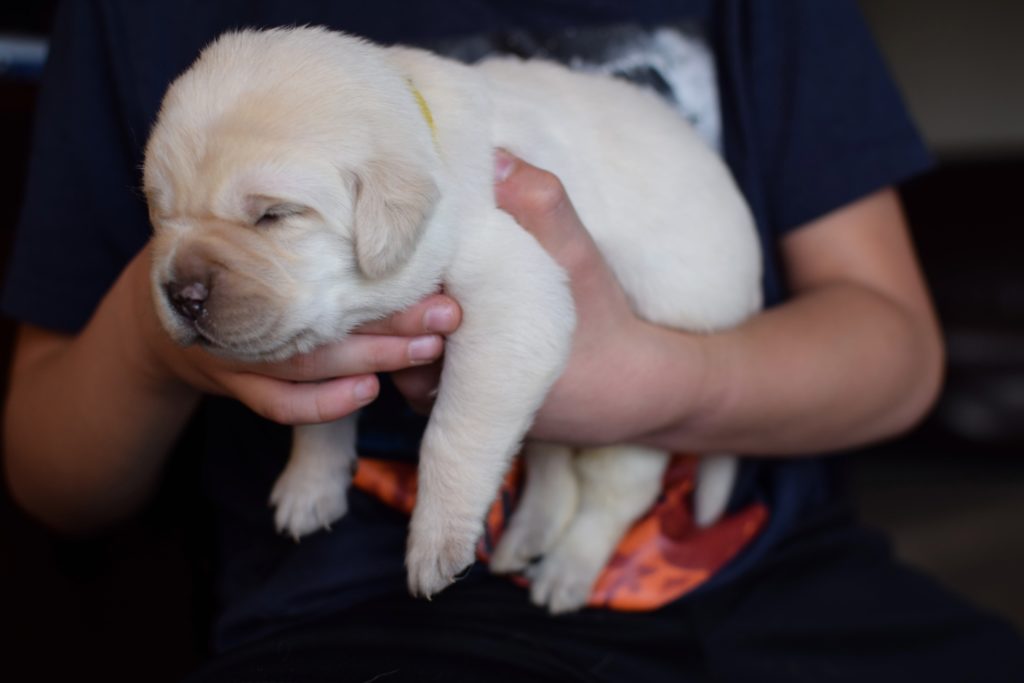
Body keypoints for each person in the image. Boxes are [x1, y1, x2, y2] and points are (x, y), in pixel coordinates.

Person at [3, 1, 1022, 680]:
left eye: (267, 216)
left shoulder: (438, 161)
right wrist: (153, 337)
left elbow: (898, 356)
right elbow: (52, 474)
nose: (193, 258)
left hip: (784, 575)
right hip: (365, 620)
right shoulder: (144, 29)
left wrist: (660, 382)